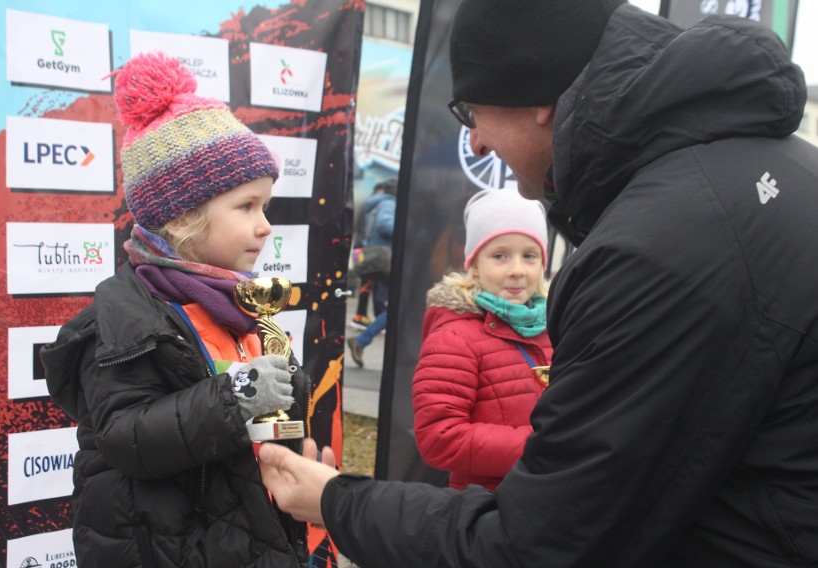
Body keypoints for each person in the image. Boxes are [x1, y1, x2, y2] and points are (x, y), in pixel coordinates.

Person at [259, 1, 818, 566]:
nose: (474, 142)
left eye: (471, 110)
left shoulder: (661, 246)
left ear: (539, 97)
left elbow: (536, 547)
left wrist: (334, 500)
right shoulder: (766, 172)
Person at [40, 52, 311, 567]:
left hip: (243, 536)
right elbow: (126, 436)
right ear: (184, 216)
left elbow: (267, 415)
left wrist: (289, 385)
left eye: (266, 206)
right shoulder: (122, 316)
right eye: (246, 206)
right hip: (169, 548)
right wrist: (239, 395)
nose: (265, 226)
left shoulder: (236, 300)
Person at [412, 188, 552, 490]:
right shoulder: (453, 337)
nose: (517, 270)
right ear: (474, 263)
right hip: (489, 513)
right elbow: (439, 438)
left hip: (553, 503)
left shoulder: (557, 326)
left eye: (529, 256)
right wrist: (543, 446)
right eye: (500, 255)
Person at [349, 178, 397, 330]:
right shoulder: (388, 204)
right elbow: (384, 224)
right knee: (382, 289)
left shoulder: (373, 202)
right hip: (381, 253)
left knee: (371, 285)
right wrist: (404, 230)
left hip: (368, 250)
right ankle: (376, 321)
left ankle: (365, 318)